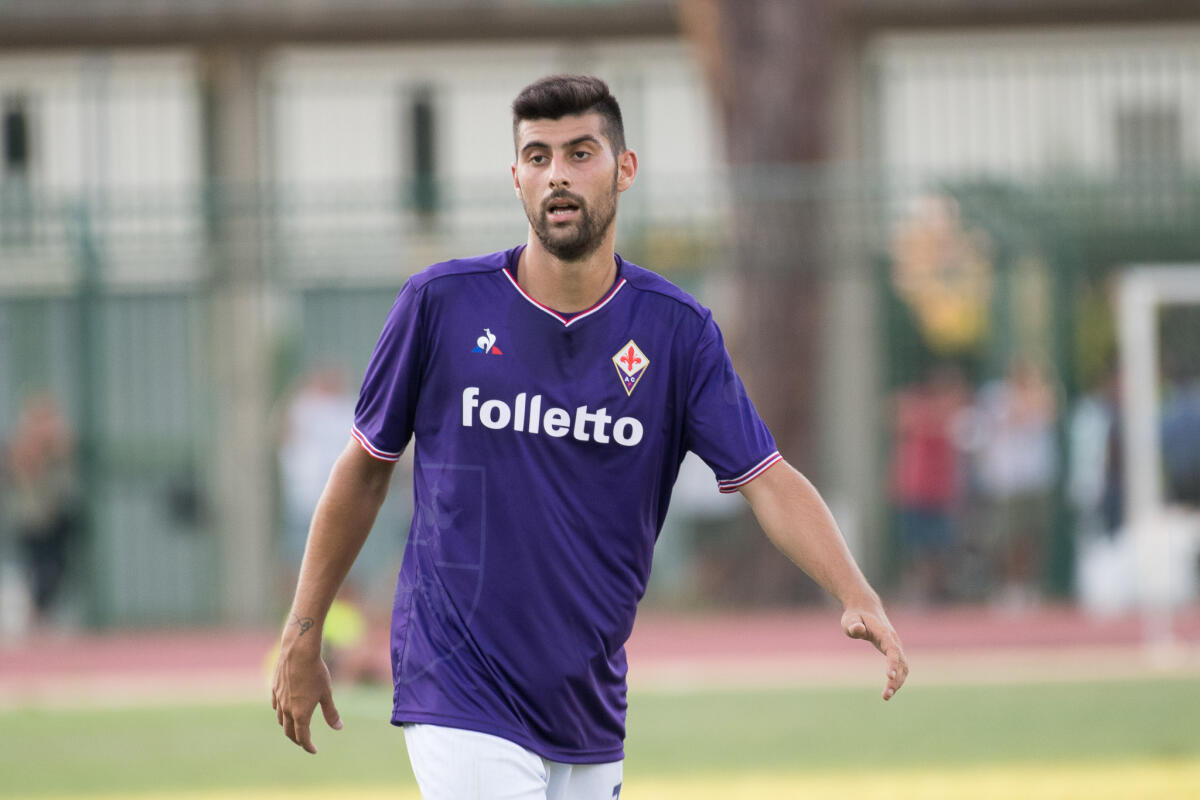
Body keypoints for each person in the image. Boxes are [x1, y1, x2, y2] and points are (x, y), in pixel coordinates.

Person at [271, 75, 907, 799]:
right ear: (515, 177)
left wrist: (856, 592)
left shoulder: (676, 332)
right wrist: (303, 633)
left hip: (587, 702)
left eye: (580, 153)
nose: (558, 176)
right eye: (537, 157)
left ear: (624, 168)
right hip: (457, 683)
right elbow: (364, 471)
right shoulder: (439, 304)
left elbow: (766, 478)